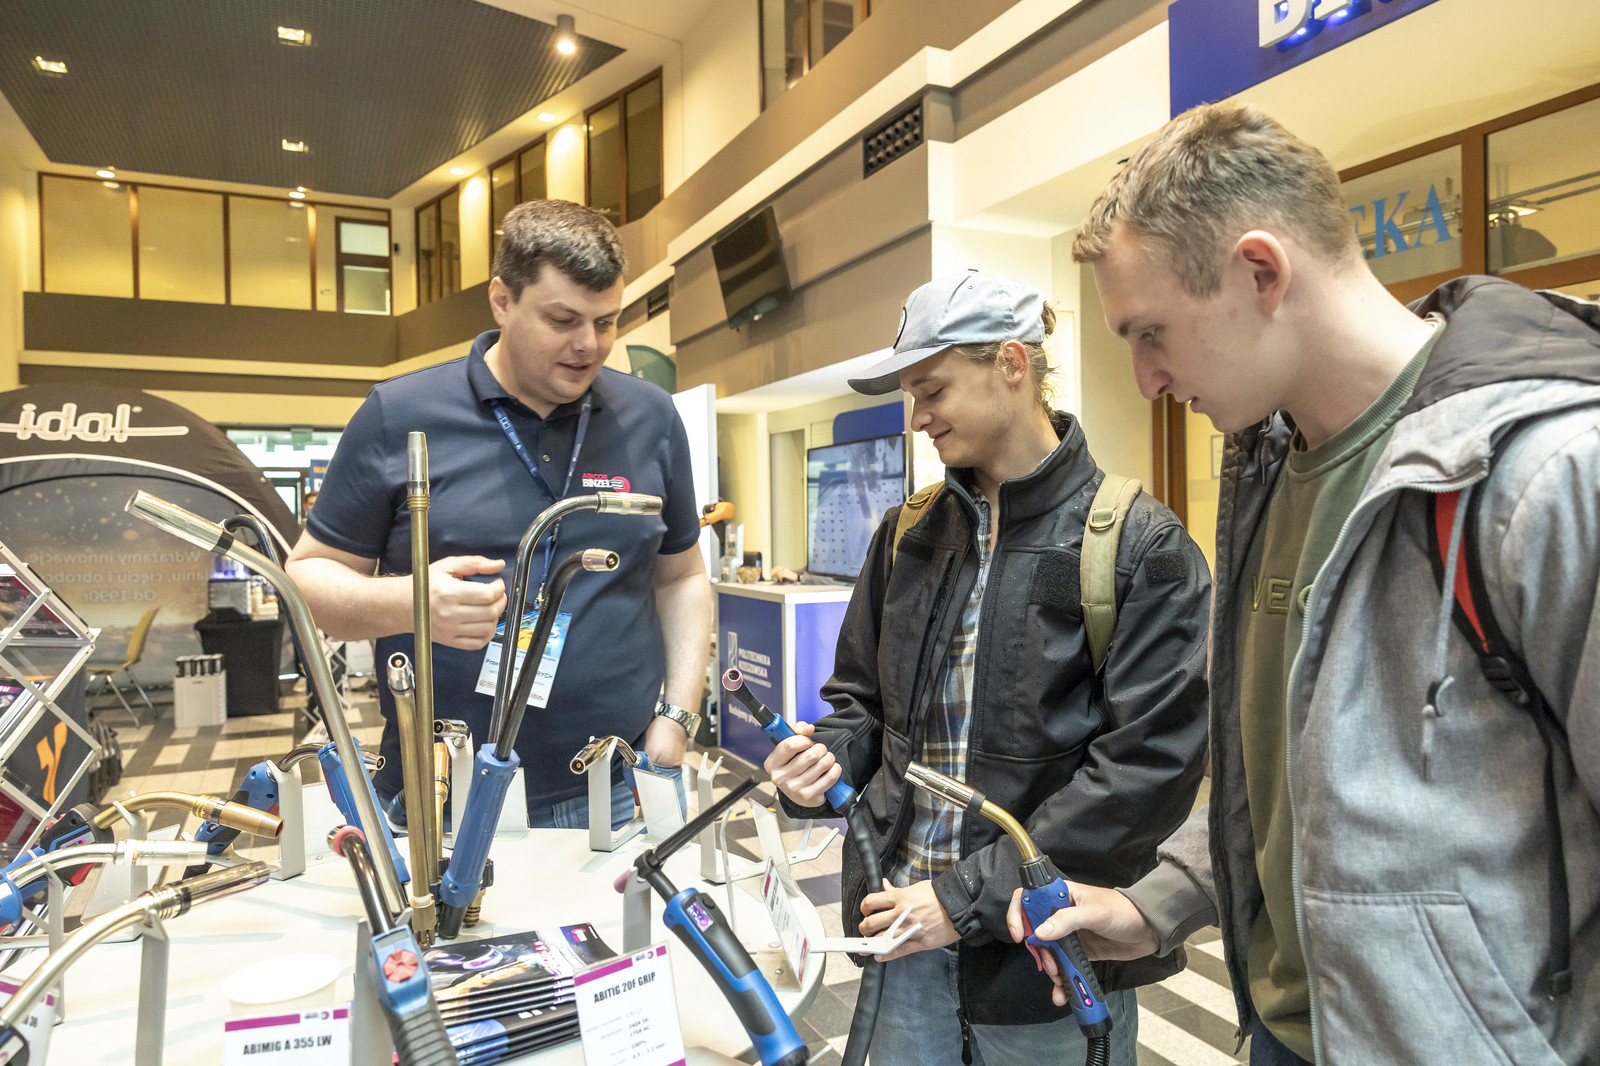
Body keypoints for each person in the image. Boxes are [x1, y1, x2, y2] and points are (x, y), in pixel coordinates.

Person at [1017, 102, 1600, 1065]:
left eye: (1151, 333)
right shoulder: (1266, 474)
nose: (1146, 378)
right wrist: (1158, 903)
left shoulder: (1548, 473)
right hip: (1286, 1035)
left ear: (1261, 271)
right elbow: (1287, 779)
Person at [765, 270, 1212, 1066]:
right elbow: (862, 703)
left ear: (1011, 364)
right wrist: (823, 758)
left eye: (932, 389)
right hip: (899, 934)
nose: (917, 418)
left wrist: (963, 897)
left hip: (1043, 960)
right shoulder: (907, 534)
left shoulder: (1140, 546)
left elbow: (1146, 771)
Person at [286, 199, 712, 828]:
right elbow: (304, 580)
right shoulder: (398, 415)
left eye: (606, 322)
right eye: (562, 320)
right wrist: (409, 603)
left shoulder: (651, 418)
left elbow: (681, 577)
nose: (588, 345)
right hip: (442, 796)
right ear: (501, 301)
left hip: (621, 784)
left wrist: (677, 717)